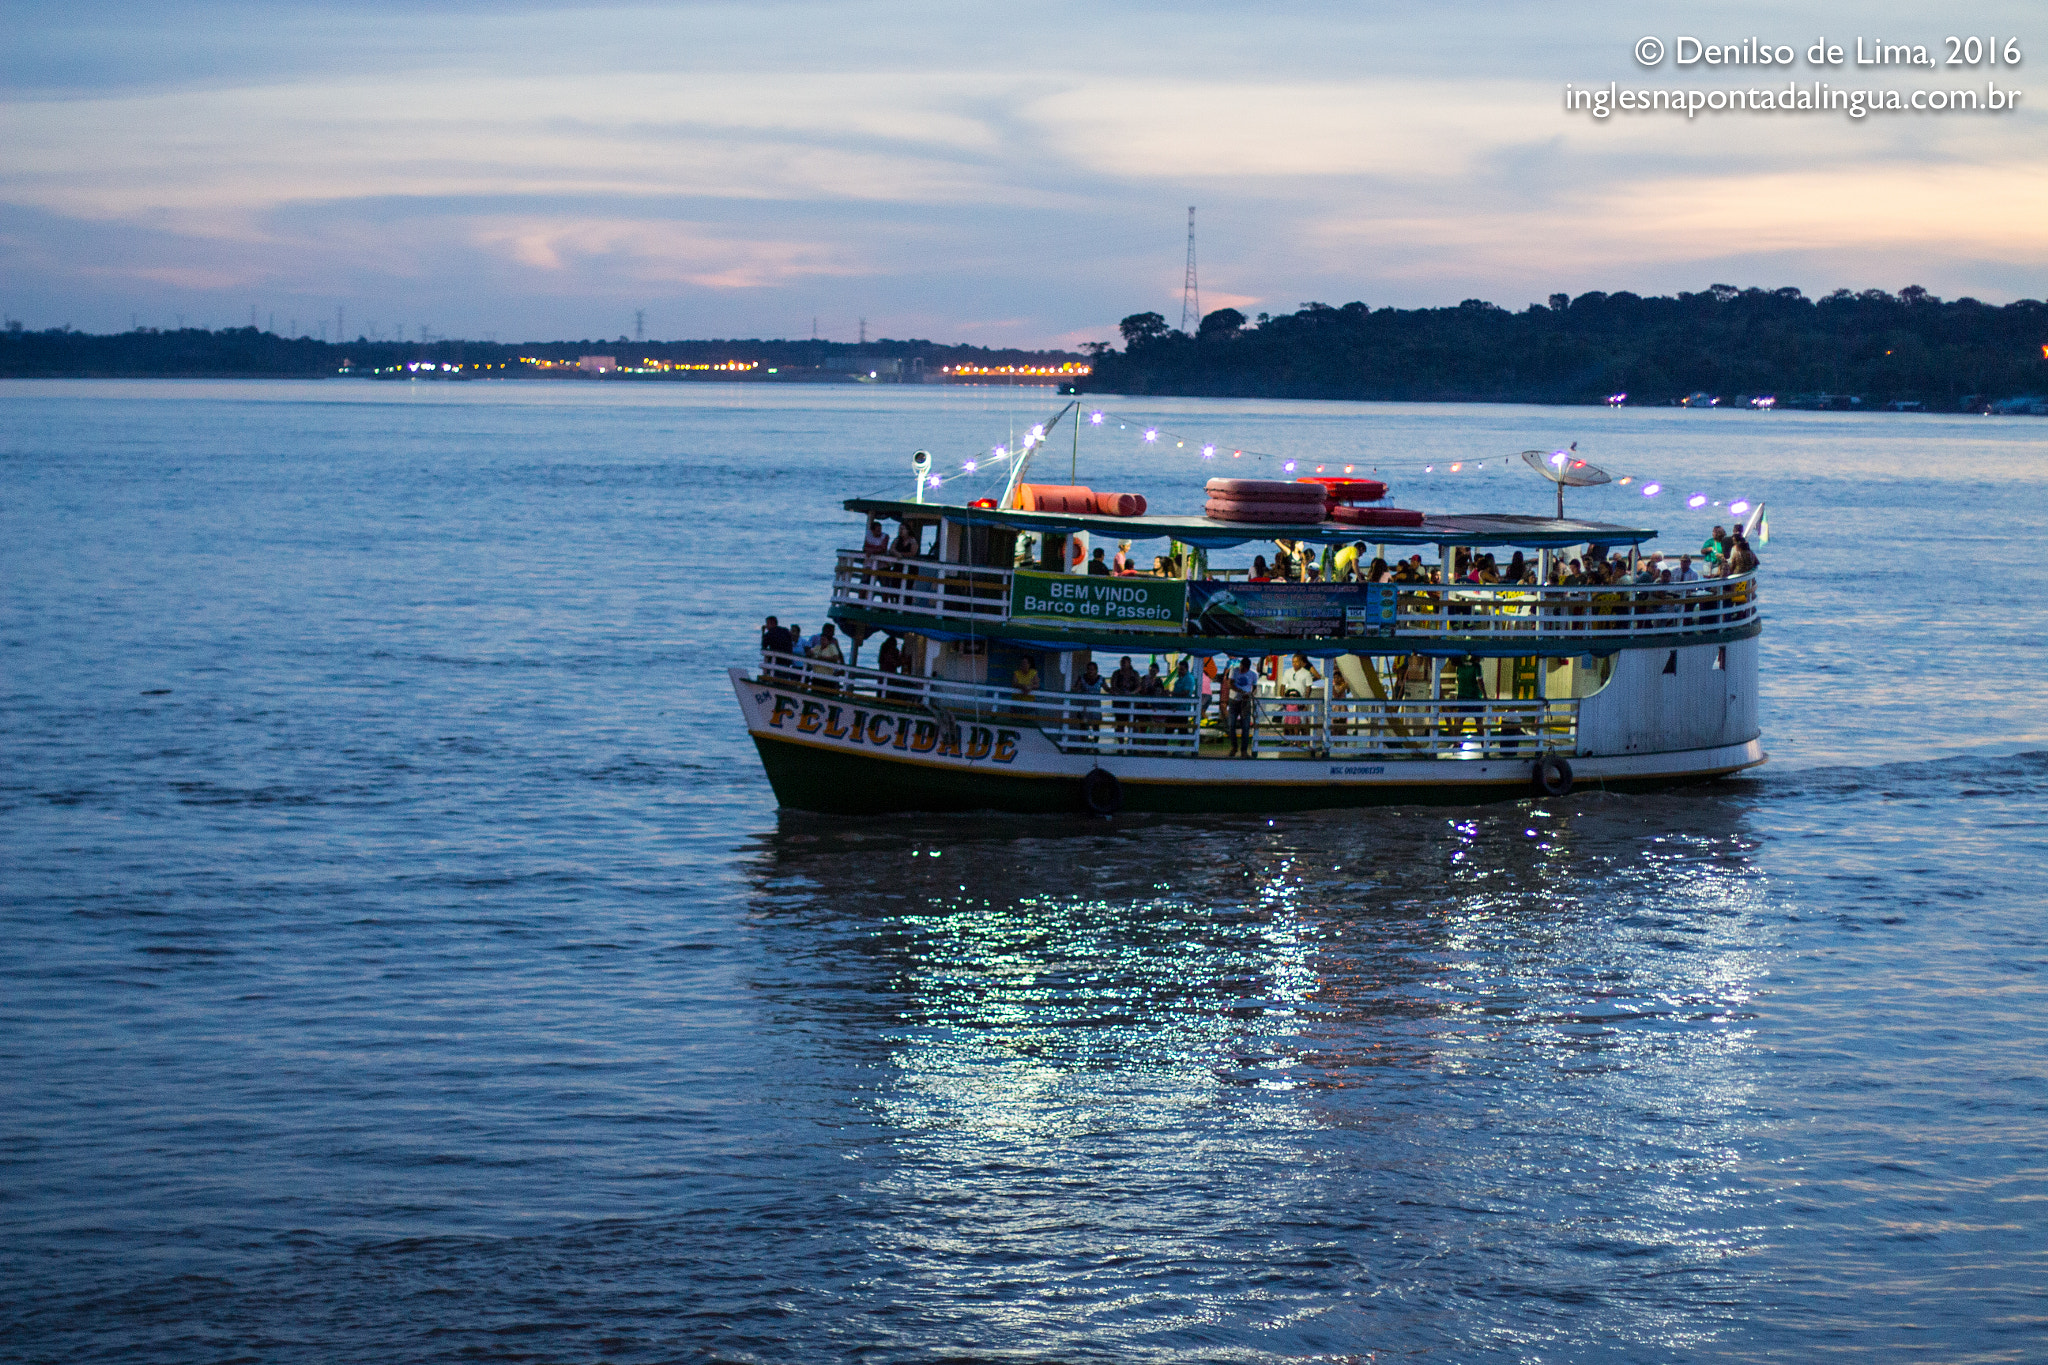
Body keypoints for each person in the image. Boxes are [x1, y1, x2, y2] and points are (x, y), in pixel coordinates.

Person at [1226, 656, 1258, 757]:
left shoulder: (1253, 674)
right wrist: (1240, 691)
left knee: (1246, 726)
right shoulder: (1234, 671)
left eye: (1243, 668)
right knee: (1231, 724)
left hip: (1245, 701)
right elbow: (1230, 684)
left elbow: (1255, 687)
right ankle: (1234, 747)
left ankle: (1244, 750)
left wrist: (1250, 694)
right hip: (1234, 700)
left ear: (1248, 668)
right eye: (1241, 667)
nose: (1241, 669)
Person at [1108, 655, 1141, 739]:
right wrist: (1120, 693)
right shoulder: (1116, 673)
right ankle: (1120, 744)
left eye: (1124, 662)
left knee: (1132, 723)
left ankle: (1132, 744)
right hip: (1119, 702)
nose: (1122, 664)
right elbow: (1113, 685)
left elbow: (1139, 686)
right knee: (1120, 724)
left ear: (1129, 663)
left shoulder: (1134, 674)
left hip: (1132, 702)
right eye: (1121, 662)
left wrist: (1131, 693)